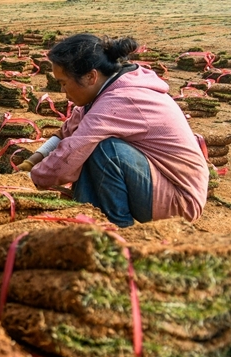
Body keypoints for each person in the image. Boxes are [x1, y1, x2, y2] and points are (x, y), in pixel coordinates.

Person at [18, 34, 208, 227]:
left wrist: (27, 180)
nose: (63, 92)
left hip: (179, 200)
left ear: (91, 76)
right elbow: (66, 132)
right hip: (156, 184)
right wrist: (32, 160)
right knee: (90, 148)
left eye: (63, 83)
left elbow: (71, 152)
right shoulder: (108, 88)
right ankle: (86, 224)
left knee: (104, 150)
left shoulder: (121, 99)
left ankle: (118, 230)